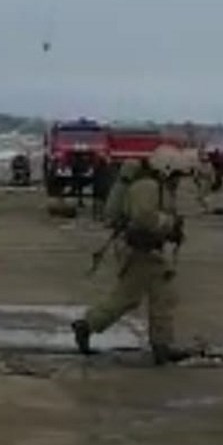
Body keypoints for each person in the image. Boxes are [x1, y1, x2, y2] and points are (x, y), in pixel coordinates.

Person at [72, 148, 188, 365]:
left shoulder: (153, 185)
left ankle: (161, 345)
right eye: (177, 175)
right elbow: (144, 217)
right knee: (135, 297)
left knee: (152, 296)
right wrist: (171, 225)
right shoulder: (148, 187)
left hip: (144, 250)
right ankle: (87, 326)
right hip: (140, 250)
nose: (178, 180)